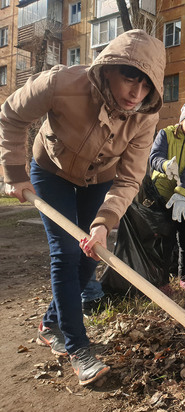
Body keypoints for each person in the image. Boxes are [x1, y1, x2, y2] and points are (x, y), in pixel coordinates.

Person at [0, 29, 166, 385]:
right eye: (129, 79)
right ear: (108, 68)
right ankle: (78, 350)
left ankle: (51, 322)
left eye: (146, 86)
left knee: (90, 252)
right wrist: (15, 173)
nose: (136, 94)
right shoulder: (62, 82)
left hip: (100, 179)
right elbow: (11, 114)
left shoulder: (145, 117)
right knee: (66, 253)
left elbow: (129, 178)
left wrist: (104, 222)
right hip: (51, 171)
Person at [149, 101, 185, 288]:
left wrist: (183, 193)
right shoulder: (165, 134)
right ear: (182, 120)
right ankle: (162, 281)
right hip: (161, 195)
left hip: (184, 197)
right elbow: (154, 157)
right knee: (164, 240)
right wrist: (165, 165)